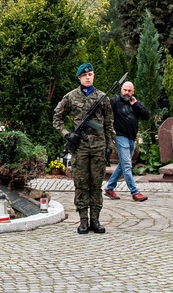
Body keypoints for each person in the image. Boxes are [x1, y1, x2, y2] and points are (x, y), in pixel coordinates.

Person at [53, 62, 115, 234]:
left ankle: (95, 219)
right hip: (80, 146)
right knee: (81, 183)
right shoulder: (70, 97)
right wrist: (67, 134)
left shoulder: (102, 98)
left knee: (96, 184)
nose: (88, 77)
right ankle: (83, 220)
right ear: (80, 77)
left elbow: (109, 123)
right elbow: (57, 119)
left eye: (91, 74)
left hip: (98, 146)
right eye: (85, 75)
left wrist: (109, 145)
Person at [104, 81, 150, 202]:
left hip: (131, 139)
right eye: (125, 90)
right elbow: (105, 115)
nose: (127, 93)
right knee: (127, 166)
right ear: (121, 90)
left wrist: (135, 105)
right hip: (120, 137)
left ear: (133, 92)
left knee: (122, 165)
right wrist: (110, 135)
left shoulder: (134, 103)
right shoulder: (114, 101)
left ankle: (109, 188)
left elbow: (146, 116)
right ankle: (134, 192)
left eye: (129, 91)